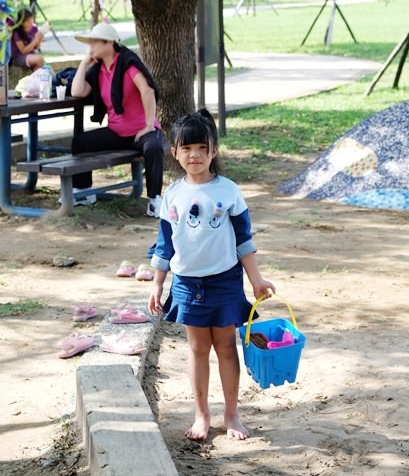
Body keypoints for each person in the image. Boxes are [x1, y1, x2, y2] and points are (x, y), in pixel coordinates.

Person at [148, 108, 275, 441]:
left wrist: (256, 280)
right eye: (187, 148)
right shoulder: (172, 195)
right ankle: (202, 415)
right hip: (187, 284)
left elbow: (244, 240)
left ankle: (232, 415)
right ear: (174, 152)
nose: (195, 155)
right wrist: (158, 284)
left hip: (224, 280)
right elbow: (164, 244)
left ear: (213, 151)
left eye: (202, 148)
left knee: (226, 347)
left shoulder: (228, 191)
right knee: (197, 348)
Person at [71, 22, 164, 212]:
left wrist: (148, 125)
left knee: (153, 147)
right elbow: (78, 91)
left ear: (109, 43)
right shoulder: (98, 70)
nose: (91, 47)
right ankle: (83, 192)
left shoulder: (128, 63)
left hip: (141, 131)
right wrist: (83, 63)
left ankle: (155, 200)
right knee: (80, 142)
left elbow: (147, 91)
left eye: (94, 42)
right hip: (116, 132)